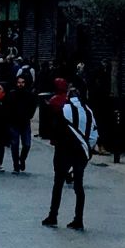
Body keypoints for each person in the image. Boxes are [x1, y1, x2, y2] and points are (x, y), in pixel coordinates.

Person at [42, 83, 97, 231]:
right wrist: (87, 149)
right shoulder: (89, 111)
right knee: (79, 186)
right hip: (81, 152)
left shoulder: (63, 110)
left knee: (58, 183)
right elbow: (94, 135)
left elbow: (55, 131)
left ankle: (53, 215)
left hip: (64, 151)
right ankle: (78, 219)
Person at [8, 73, 36, 173]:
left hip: (25, 122)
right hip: (14, 122)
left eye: (22, 82)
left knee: (27, 144)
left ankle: (22, 159)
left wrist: (29, 115)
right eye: (19, 82)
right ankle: (16, 165)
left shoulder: (29, 95)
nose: (20, 84)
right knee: (14, 145)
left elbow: (33, 106)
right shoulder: (12, 94)